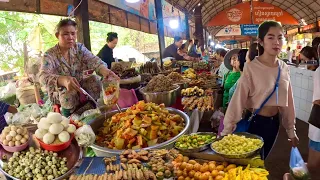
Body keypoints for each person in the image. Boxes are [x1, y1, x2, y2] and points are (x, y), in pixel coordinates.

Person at [221, 21, 299, 159]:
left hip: (274, 124)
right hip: (255, 123)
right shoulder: (251, 68)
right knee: (251, 163)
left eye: (280, 37)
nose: (276, 42)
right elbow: (238, 100)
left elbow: (288, 100)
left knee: (263, 160)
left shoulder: (284, 67)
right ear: (261, 42)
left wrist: (291, 130)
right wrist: (227, 129)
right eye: (270, 37)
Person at [39, 19, 119, 117]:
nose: (70, 37)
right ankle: (69, 118)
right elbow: (42, 77)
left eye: (73, 33)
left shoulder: (79, 48)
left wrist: (105, 71)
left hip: (80, 85)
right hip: (61, 92)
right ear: (57, 36)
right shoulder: (50, 55)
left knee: (94, 80)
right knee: (68, 93)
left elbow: (93, 60)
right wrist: (63, 80)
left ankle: (91, 109)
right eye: (65, 34)